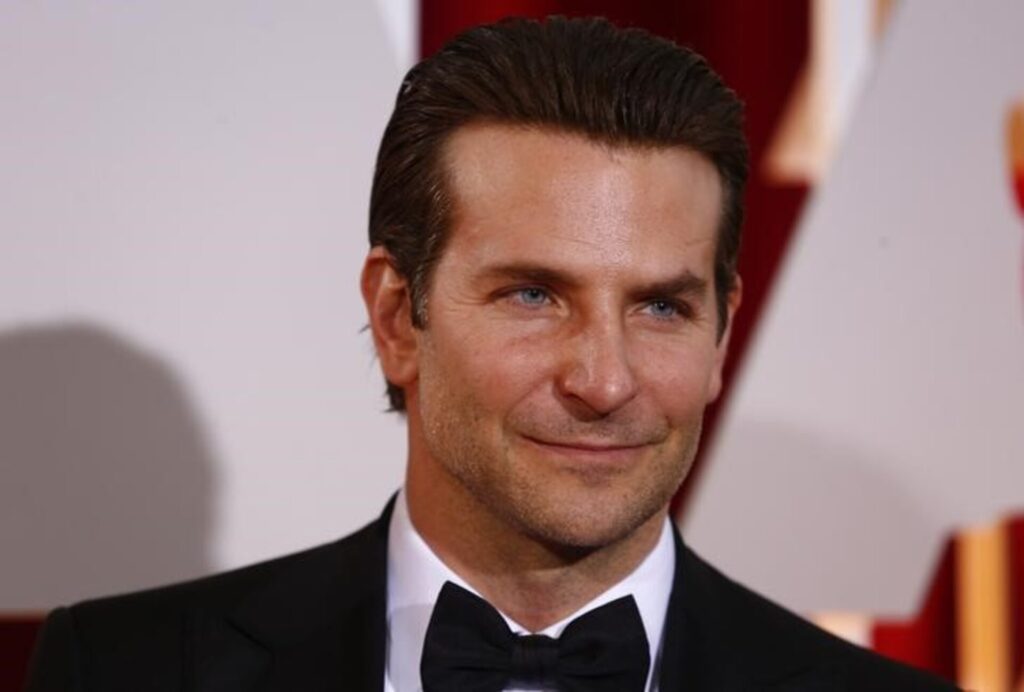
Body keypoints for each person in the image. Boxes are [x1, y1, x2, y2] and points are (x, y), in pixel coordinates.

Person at [26, 16, 956, 692]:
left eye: (661, 306)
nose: (605, 380)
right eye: (533, 296)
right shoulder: (123, 671)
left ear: (721, 335)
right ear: (399, 317)